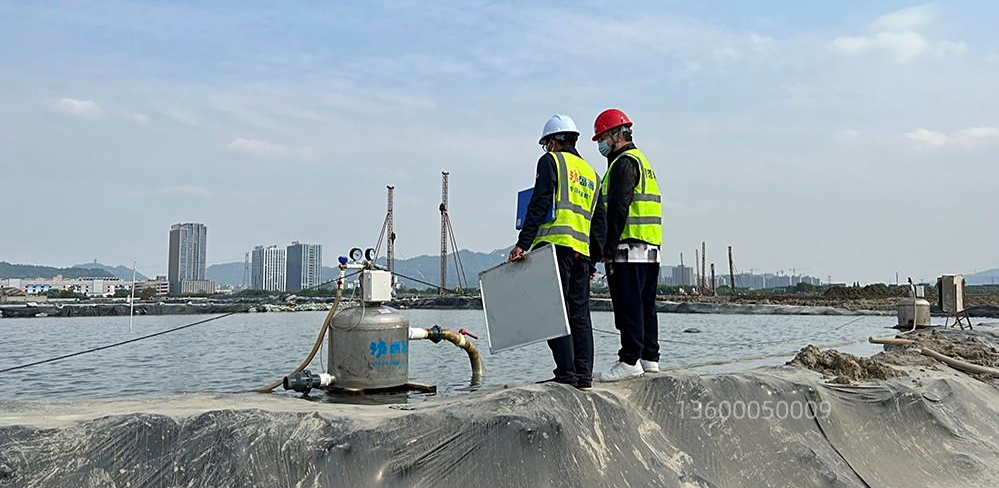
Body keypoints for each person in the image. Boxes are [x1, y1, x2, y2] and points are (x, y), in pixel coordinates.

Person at [510, 114, 605, 391]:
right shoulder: (592, 174)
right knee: (580, 315)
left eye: (546, 144)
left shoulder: (550, 161)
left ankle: (566, 373)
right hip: (581, 253)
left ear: (553, 142)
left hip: (555, 249)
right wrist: (593, 260)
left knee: (554, 313)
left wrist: (522, 244)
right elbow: (599, 222)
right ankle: (584, 377)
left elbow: (539, 204)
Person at [592, 108, 663, 382]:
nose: (601, 144)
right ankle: (649, 358)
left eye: (602, 138)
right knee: (646, 306)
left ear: (616, 135)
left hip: (628, 248)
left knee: (628, 306)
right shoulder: (642, 161)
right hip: (650, 248)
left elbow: (617, 209)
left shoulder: (623, 163)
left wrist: (607, 250)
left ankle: (630, 360)